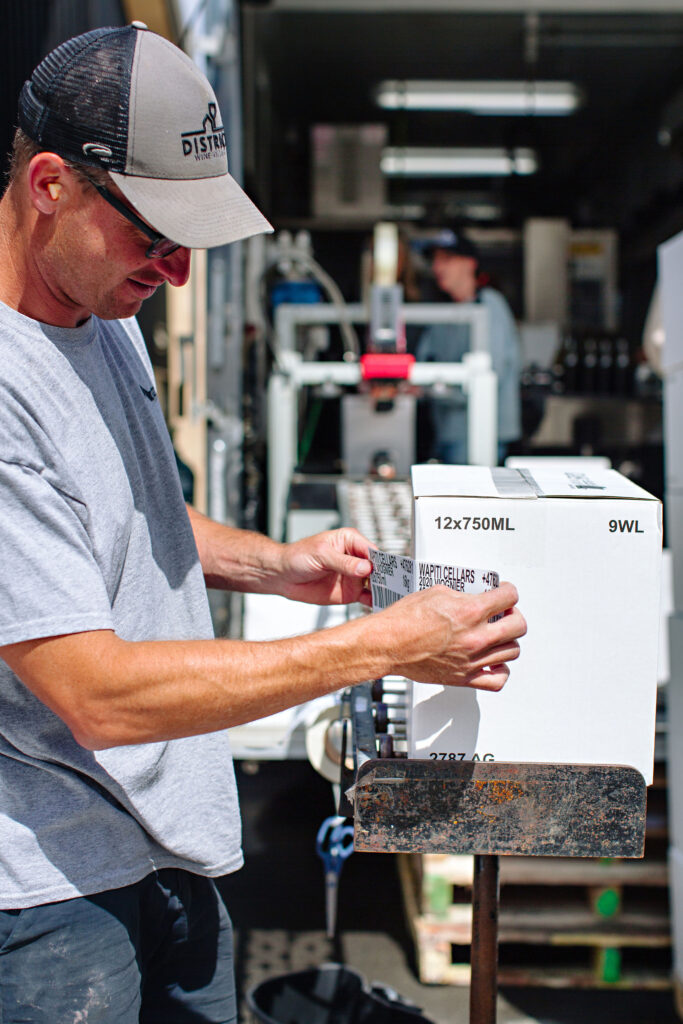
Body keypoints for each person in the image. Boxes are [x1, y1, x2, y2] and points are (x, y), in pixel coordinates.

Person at [0, 24, 526, 1024]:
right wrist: (379, 645)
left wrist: (278, 566)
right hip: (51, 900)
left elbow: (118, 509)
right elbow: (96, 693)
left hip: (168, 848)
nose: (175, 272)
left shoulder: (98, 312)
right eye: (153, 233)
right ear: (51, 185)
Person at [416, 228, 522, 464]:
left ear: (470, 264)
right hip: (445, 433)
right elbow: (422, 363)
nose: (437, 268)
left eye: (447, 259)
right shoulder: (444, 314)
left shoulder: (489, 306)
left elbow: (489, 375)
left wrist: (428, 389)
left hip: (479, 435)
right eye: (435, 260)